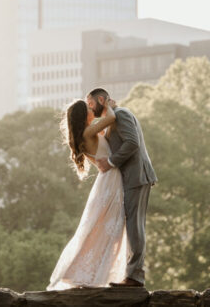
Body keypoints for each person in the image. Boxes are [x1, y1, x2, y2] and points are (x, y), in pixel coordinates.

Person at [47, 95, 128, 289]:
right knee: (109, 227)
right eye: (90, 109)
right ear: (84, 116)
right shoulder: (88, 132)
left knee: (105, 227)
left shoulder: (86, 133)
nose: (94, 111)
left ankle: (95, 273)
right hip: (111, 180)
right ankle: (92, 274)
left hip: (108, 179)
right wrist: (108, 104)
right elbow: (110, 118)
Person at [89, 87, 156, 288]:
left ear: (102, 99)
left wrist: (110, 162)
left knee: (135, 227)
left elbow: (132, 143)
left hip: (137, 176)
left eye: (91, 104)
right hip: (129, 179)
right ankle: (130, 274)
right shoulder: (111, 119)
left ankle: (135, 278)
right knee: (130, 226)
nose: (90, 109)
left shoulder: (122, 114)